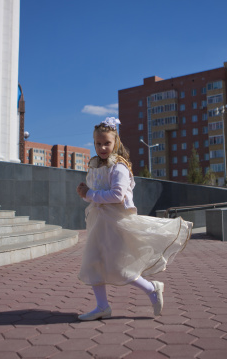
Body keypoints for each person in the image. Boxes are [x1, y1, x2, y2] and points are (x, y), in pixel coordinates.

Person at [76, 117, 192, 321]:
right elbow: (97, 191)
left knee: (120, 266)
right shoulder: (96, 165)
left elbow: (117, 195)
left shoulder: (118, 167)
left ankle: (152, 288)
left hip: (115, 222)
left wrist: (89, 194)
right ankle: (102, 306)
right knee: (93, 261)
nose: (102, 147)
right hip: (99, 221)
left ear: (116, 142)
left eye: (107, 143)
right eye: (98, 143)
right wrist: (85, 192)